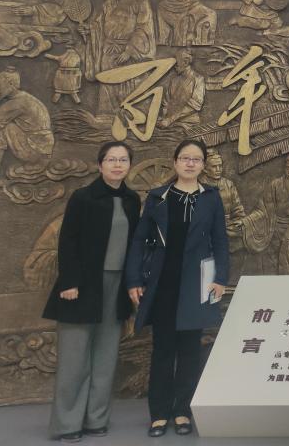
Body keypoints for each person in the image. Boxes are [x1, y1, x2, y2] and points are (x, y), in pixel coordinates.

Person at [125, 139, 229, 438]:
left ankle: (183, 411)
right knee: (162, 349)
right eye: (185, 158)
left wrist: (220, 278)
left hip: (196, 284)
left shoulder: (211, 197)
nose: (190, 163)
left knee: (189, 350)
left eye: (196, 159)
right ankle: (159, 414)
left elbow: (220, 240)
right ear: (175, 162)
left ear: (203, 165)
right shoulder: (158, 197)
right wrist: (134, 280)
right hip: (162, 284)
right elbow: (139, 240)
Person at [43, 141, 140, 442]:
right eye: (111, 159)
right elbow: (68, 241)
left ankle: (96, 419)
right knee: (74, 358)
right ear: (100, 165)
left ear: (129, 165)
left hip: (117, 286)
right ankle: (68, 424)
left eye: (123, 160)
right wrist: (69, 282)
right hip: (83, 285)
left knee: (106, 356)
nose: (117, 165)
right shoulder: (82, 197)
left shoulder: (132, 200)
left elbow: (135, 245)